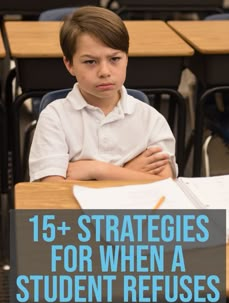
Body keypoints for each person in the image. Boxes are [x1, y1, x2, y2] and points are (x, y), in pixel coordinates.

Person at [29, 6, 178, 182]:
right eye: (90, 62)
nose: (104, 72)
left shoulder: (151, 119)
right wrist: (129, 172)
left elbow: (165, 184)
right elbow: (52, 188)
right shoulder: (55, 117)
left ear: (127, 58)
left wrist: (98, 170)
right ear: (69, 64)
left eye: (114, 59)